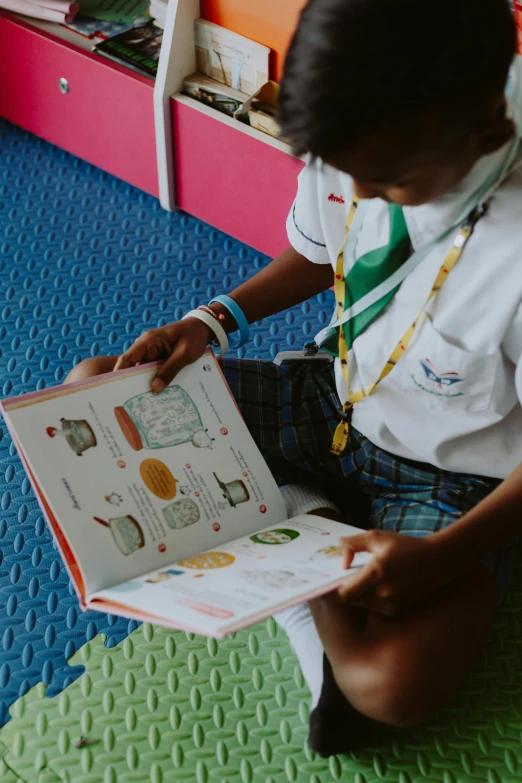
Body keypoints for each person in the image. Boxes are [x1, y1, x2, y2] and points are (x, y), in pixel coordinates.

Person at [66, 0, 522, 758]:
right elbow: (319, 252)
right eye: (348, 175)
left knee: (390, 686)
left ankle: (295, 539)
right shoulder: (363, 122)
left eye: (391, 182)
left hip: (452, 475)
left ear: (488, 138)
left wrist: (442, 557)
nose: (364, 197)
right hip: (333, 398)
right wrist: (209, 321)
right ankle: (306, 520)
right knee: (95, 388)